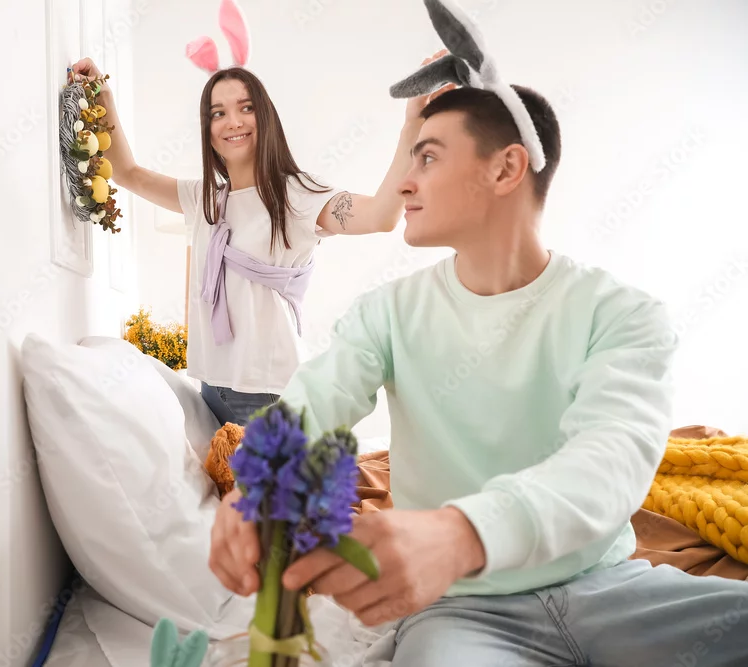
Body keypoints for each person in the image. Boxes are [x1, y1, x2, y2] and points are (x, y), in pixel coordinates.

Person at [207, 83, 748, 665]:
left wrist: (459, 535)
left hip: (611, 589)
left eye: (428, 157)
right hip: (459, 612)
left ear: (506, 168)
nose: (404, 182)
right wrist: (253, 487)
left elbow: (609, 464)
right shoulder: (387, 314)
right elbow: (314, 401)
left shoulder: (621, 314)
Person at [68, 55, 455, 427]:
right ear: (208, 130)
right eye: (218, 113)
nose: (233, 121)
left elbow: (381, 216)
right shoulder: (205, 198)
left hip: (268, 394)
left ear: (265, 116)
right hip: (212, 388)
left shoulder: (295, 195)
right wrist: (104, 97)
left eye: (246, 108)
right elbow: (128, 173)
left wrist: (412, 126)